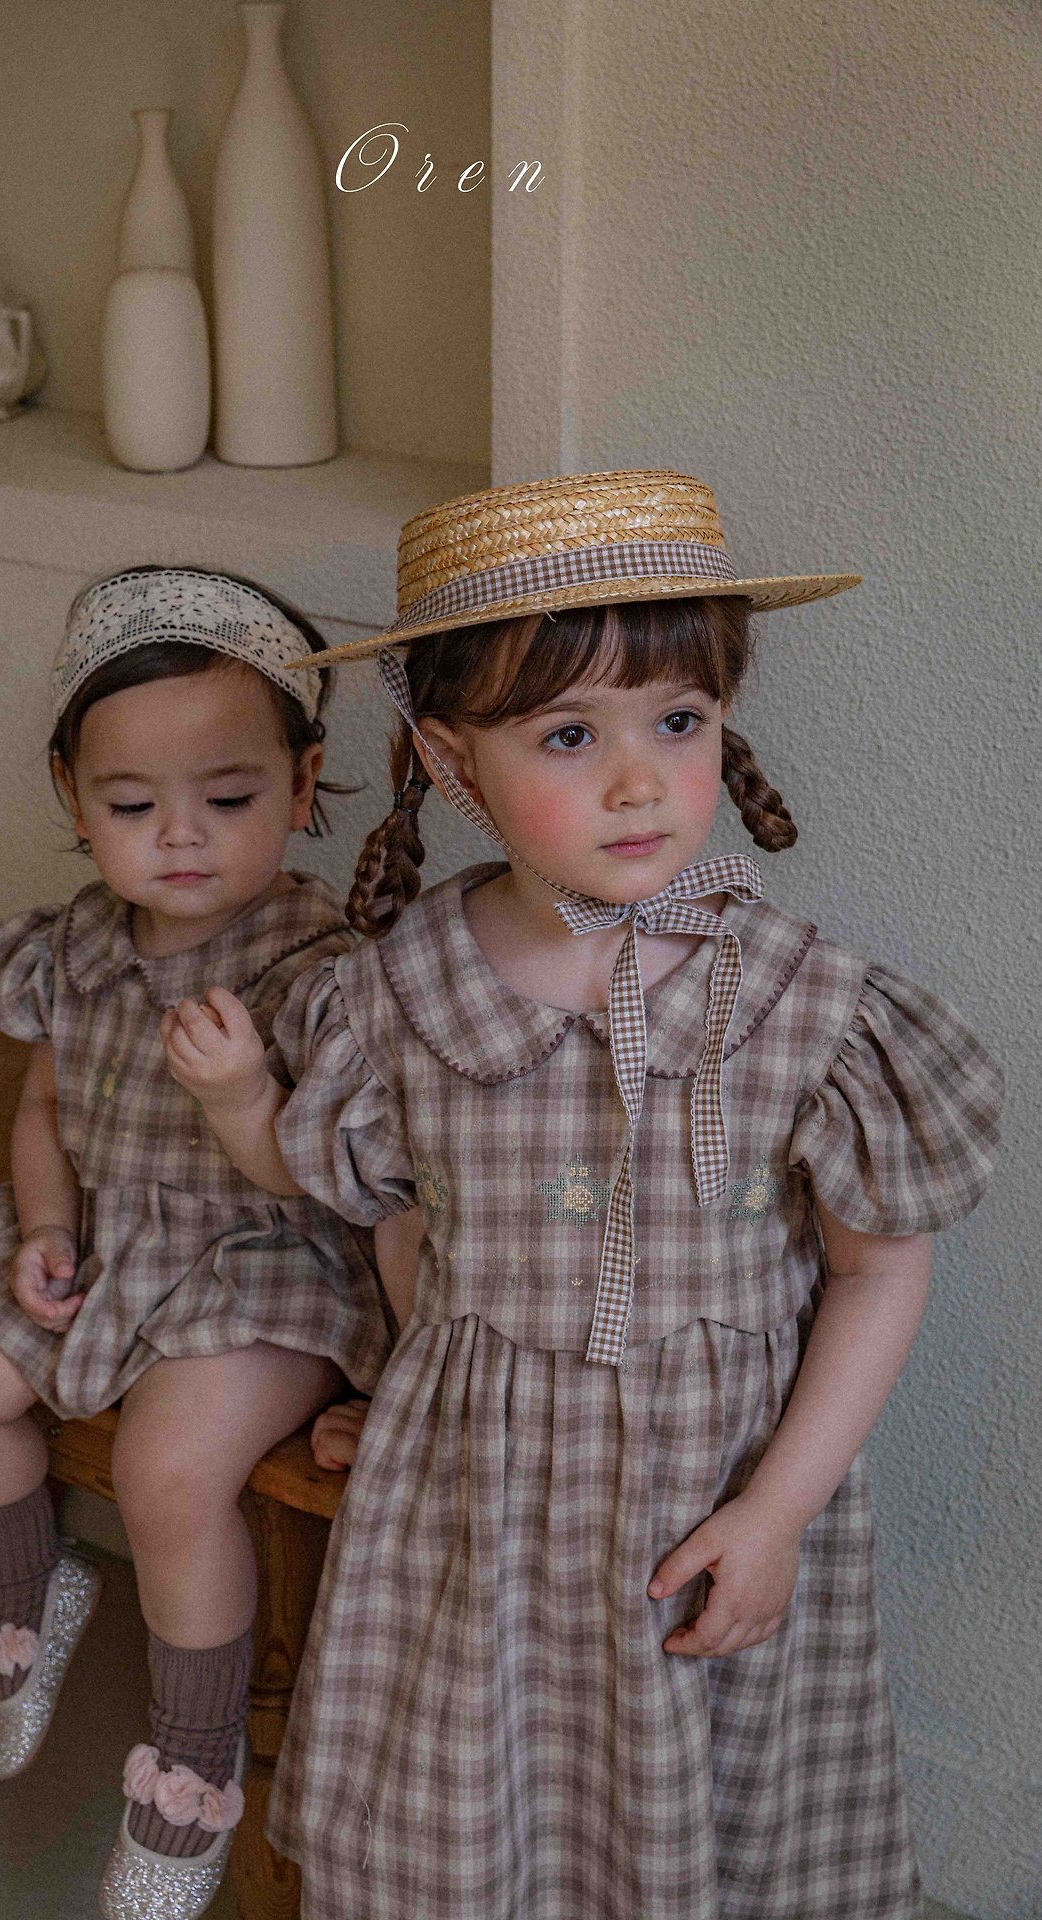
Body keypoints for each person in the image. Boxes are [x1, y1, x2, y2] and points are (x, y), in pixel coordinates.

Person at [160, 472, 1004, 1920]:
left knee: (704, 1823)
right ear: (453, 760)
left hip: (718, 1497)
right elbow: (404, 1221)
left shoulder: (804, 1003)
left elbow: (879, 1271)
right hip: (477, 1515)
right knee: (481, 1815)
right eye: (568, 735)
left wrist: (778, 1514)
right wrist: (410, 1370)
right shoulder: (395, 996)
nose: (638, 782)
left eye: (678, 721)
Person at [0, 565, 396, 1920]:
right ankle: (26, 1605)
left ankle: (190, 1771)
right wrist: (46, 1227)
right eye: (132, 807)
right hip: (114, 1238)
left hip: (268, 1261)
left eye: (229, 799)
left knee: (168, 1468)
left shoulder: (318, 964)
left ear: (302, 786)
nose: (181, 837)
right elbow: (45, 1106)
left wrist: (242, 1097)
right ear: (73, 798)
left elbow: (349, 1179)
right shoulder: (76, 944)